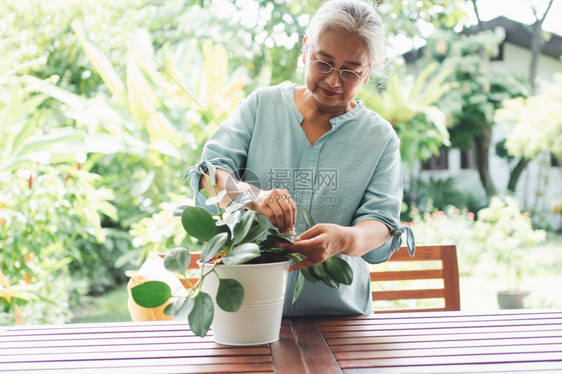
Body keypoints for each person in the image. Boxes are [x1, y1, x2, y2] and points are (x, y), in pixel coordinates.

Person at [185, 0, 414, 317]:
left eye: (350, 71)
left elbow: (382, 224)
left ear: (368, 73)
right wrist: (254, 197)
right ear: (306, 50)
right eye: (324, 63)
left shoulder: (380, 137)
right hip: (248, 308)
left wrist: (344, 239)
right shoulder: (261, 106)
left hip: (338, 315)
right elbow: (209, 178)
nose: (334, 81)